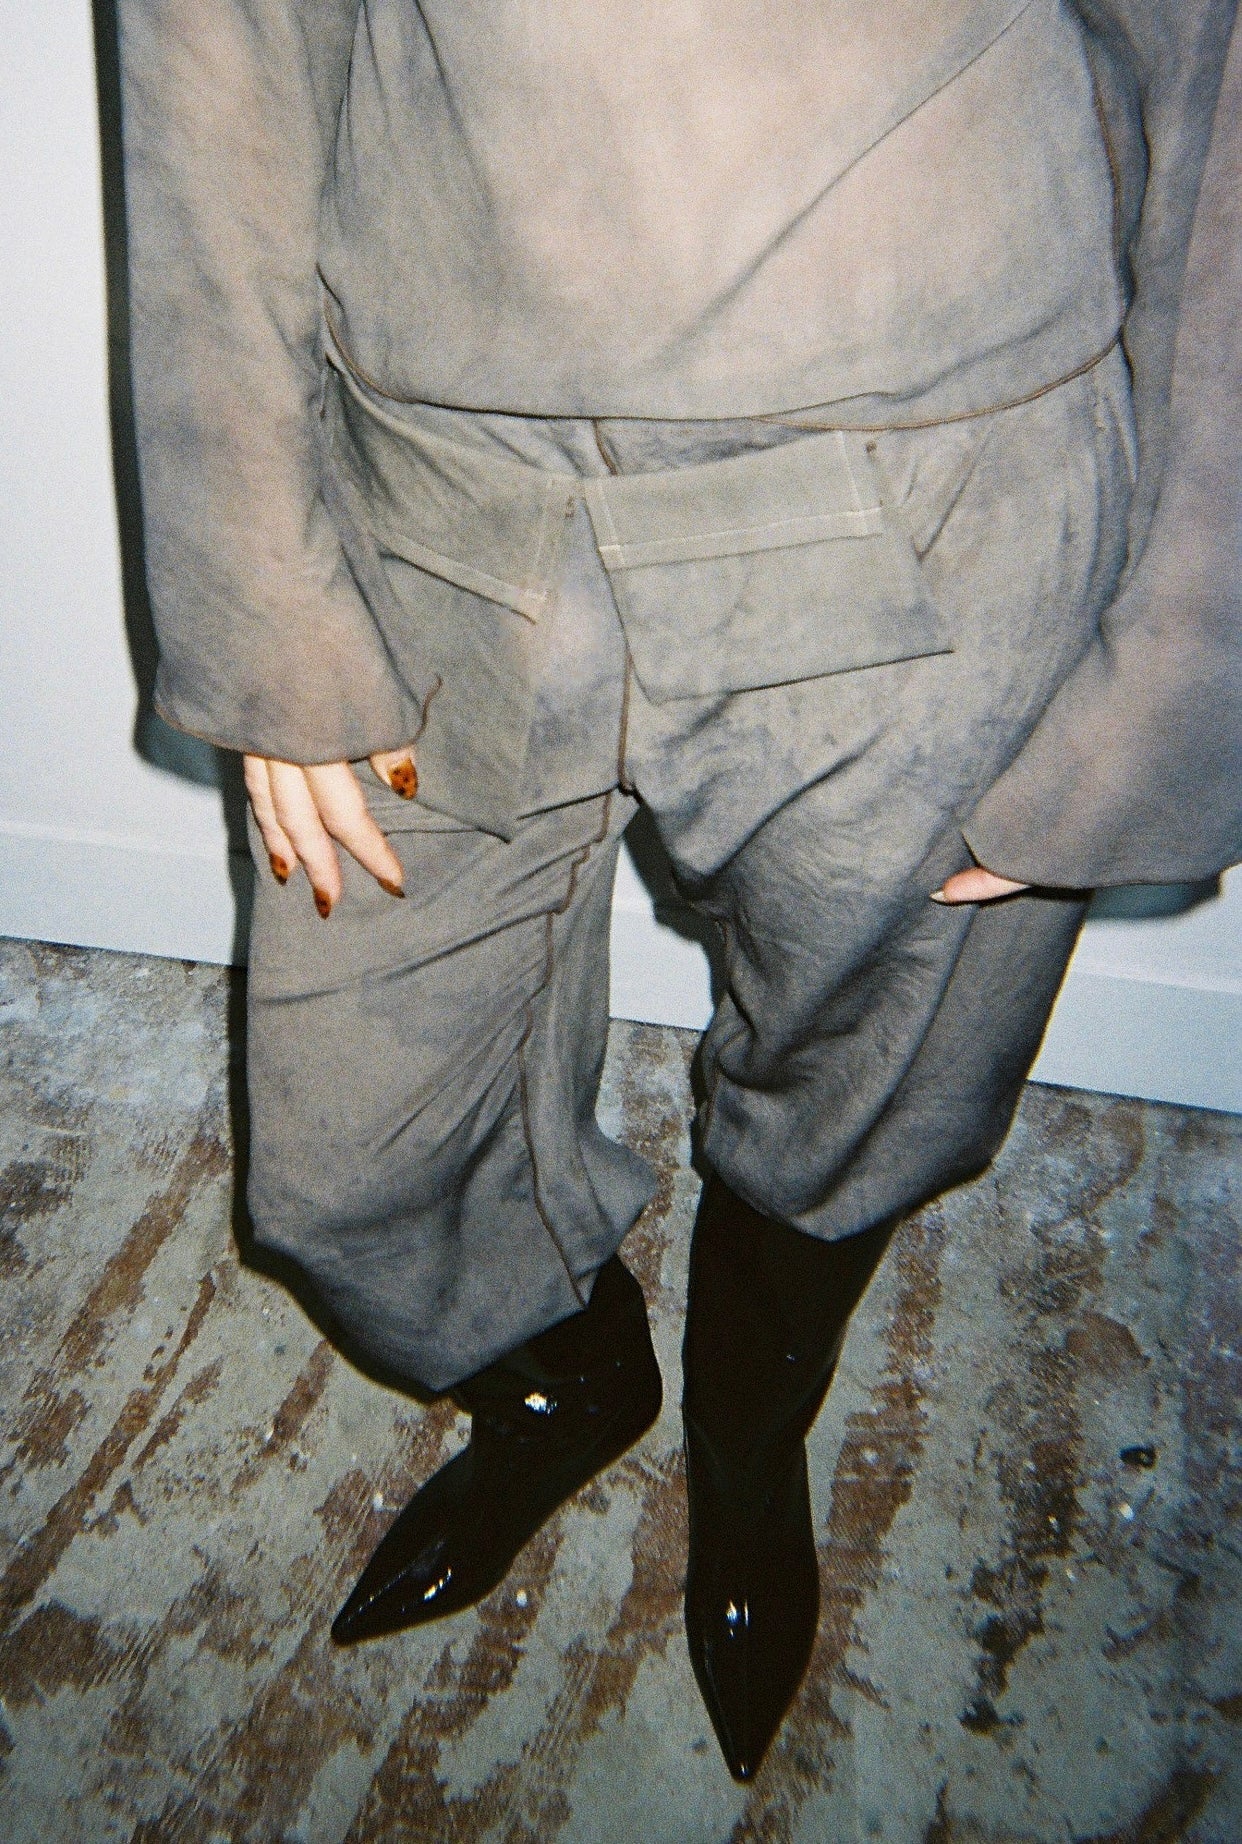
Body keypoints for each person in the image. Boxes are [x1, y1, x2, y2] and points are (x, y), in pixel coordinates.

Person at [118, 0, 1239, 1780]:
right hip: (454, 489)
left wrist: (1172, 692)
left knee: (867, 1086)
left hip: (939, 493)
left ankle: (745, 1438)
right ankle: (568, 1377)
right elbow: (217, 68)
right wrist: (260, 604)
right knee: (347, 1152)